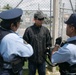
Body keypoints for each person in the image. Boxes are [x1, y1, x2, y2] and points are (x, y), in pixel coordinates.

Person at [0, 8, 33, 75]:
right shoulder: (12, 38)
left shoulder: (2, 32)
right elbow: (29, 51)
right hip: (9, 70)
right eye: (18, 23)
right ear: (12, 25)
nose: (19, 25)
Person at [23, 10, 52, 75]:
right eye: (40, 19)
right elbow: (25, 44)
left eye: (43, 19)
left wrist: (49, 53)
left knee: (42, 73)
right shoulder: (29, 30)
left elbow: (49, 43)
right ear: (35, 19)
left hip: (42, 59)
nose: (41, 21)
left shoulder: (45, 30)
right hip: (32, 59)